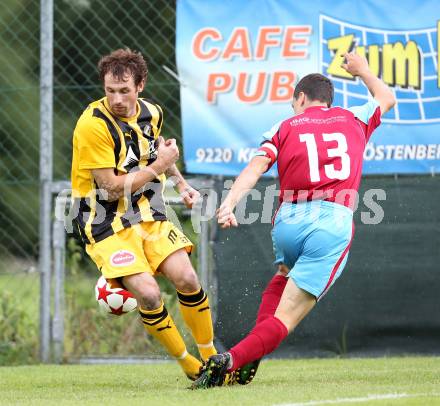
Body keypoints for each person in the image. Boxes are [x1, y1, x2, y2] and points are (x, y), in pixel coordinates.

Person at [191, 52, 396, 388]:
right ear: (328, 100)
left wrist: (229, 203)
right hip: (330, 221)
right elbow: (386, 97)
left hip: (288, 222)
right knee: (285, 318)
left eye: (293, 101)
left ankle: (248, 359)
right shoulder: (354, 118)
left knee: (283, 275)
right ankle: (232, 360)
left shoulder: (284, 126)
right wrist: (362, 70)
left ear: (301, 97)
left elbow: (255, 169)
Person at [71, 48, 217, 380]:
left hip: (148, 211)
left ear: (141, 85)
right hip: (103, 221)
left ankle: (212, 359)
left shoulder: (152, 112)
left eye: (124, 90)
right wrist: (159, 168)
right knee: (149, 293)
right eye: (110, 90)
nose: (117, 99)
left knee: (188, 278)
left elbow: (158, 151)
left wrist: (180, 184)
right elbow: (109, 188)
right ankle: (190, 366)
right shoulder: (91, 126)